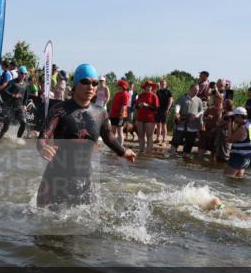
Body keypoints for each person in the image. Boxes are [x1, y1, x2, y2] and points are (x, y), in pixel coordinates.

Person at [36, 63, 136, 207]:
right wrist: (43, 147)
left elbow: (108, 137)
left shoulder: (100, 113)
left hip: (84, 180)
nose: (90, 87)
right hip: (55, 179)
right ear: (75, 85)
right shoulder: (60, 110)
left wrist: (123, 152)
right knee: (44, 219)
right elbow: (43, 137)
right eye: (85, 82)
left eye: (94, 83)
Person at [224, 107, 251, 178]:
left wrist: (229, 123)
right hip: (247, 156)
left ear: (239, 116)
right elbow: (235, 135)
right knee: (237, 179)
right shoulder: (247, 124)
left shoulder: (242, 128)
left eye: (234, 116)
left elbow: (230, 140)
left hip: (240, 156)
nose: (233, 118)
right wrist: (232, 123)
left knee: (227, 177)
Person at [0, 65, 30, 138]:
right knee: (6, 126)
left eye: (25, 74)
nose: (23, 75)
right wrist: (13, 95)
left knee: (24, 123)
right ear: (18, 73)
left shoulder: (26, 84)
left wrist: (24, 105)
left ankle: (18, 139)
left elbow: (26, 96)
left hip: (19, 107)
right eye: (22, 73)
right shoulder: (12, 82)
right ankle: (0, 138)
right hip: (10, 106)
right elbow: (5, 91)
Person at [172, 84, 204, 156]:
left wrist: (196, 117)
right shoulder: (182, 98)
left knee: (189, 145)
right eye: (195, 90)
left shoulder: (199, 100)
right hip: (181, 124)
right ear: (190, 89)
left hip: (193, 126)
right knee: (175, 142)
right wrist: (177, 113)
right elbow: (178, 106)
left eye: (197, 90)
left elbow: (201, 111)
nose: (196, 92)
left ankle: (185, 158)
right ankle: (172, 157)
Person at [134, 80, 160, 153]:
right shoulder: (141, 95)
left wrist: (147, 105)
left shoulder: (154, 96)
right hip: (140, 117)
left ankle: (148, 153)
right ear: (145, 87)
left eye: (150, 86)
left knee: (149, 136)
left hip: (150, 119)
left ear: (152, 88)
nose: (149, 87)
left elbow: (156, 108)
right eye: (147, 86)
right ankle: (141, 152)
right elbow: (136, 106)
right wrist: (139, 105)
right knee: (141, 136)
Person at [108, 79, 131, 147]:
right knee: (113, 131)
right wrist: (110, 113)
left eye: (119, 85)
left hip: (121, 116)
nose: (117, 87)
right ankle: (114, 146)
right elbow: (113, 104)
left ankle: (120, 147)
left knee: (120, 131)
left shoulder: (126, 94)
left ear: (122, 86)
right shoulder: (117, 94)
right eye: (118, 86)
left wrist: (121, 115)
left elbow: (124, 105)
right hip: (114, 115)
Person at [155, 79, 172, 145]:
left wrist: (167, 109)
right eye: (161, 84)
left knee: (164, 125)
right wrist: (156, 109)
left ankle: (164, 139)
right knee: (158, 125)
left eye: (164, 84)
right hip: (158, 110)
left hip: (165, 110)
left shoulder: (168, 92)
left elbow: (170, 101)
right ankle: (157, 139)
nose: (162, 85)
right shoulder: (158, 91)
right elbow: (156, 101)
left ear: (166, 84)